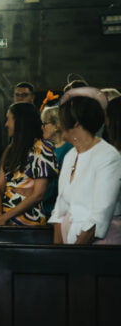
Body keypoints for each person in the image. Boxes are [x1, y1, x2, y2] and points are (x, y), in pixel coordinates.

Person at [49, 88, 121, 245]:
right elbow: (60, 207)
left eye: (62, 120)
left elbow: (99, 218)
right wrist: (56, 251)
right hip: (68, 243)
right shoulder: (70, 155)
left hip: (96, 248)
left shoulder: (108, 157)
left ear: (75, 123)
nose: (59, 125)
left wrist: (73, 254)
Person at [0, 103, 58, 226]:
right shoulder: (11, 149)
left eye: (9, 119)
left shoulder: (42, 148)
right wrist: (0, 217)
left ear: (20, 122)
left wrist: (4, 217)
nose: (6, 124)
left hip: (30, 223)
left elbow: (38, 195)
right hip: (6, 223)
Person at [40, 105, 73, 216]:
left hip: (58, 210)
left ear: (57, 126)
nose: (42, 127)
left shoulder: (69, 150)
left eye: (45, 124)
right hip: (44, 208)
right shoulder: (46, 147)